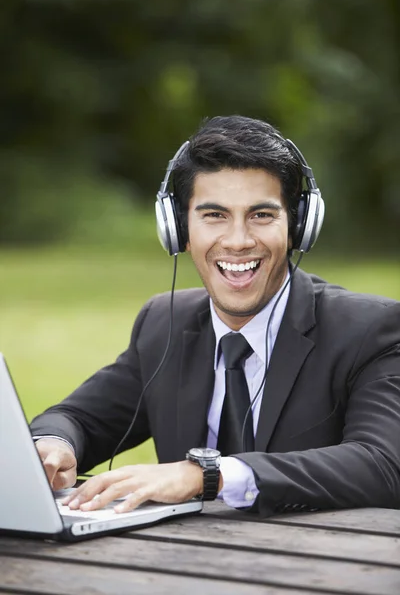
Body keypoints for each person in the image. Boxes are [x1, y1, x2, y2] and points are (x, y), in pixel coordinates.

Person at [31, 115, 400, 517]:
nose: (238, 241)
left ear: (296, 227)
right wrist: (54, 445)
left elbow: (382, 465)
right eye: (214, 216)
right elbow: (78, 418)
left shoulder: (371, 330)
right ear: (178, 230)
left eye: (261, 215)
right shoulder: (164, 323)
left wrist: (208, 475)